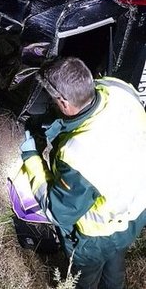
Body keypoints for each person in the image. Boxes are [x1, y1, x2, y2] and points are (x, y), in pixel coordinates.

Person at [20, 57, 146, 289]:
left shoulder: (80, 155)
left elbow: (57, 212)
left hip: (99, 234)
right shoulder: (118, 89)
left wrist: (31, 157)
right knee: (115, 263)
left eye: (53, 100)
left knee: (84, 279)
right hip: (136, 212)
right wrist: (53, 126)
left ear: (64, 103)